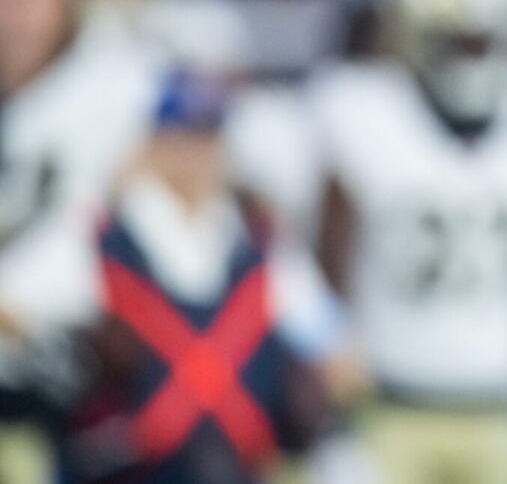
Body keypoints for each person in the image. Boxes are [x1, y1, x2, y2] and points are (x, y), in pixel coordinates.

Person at [0, 69, 344, 484]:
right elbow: (13, 304)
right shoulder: (97, 235)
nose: (193, 156)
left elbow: (336, 349)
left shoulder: (257, 239)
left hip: (232, 467)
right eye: (178, 137)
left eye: (206, 137)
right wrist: (70, 354)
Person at [312, 0, 507, 484]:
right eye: (458, 38)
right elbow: (321, 262)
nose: (473, 54)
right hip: (389, 403)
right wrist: (326, 353)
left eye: (483, 37)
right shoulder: (363, 113)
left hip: (504, 402)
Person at [0, 0, 163, 482]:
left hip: (80, 387)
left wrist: (18, 298)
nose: (11, 3)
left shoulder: (118, 88)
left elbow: (102, 224)